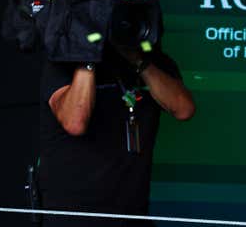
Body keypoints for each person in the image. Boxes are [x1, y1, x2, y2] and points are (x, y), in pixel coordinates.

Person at [38, 23, 195, 226]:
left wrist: (137, 58)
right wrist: (89, 54)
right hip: (73, 214)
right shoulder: (62, 61)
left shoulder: (152, 60)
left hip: (131, 212)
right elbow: (75, 122)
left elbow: (184, 109)